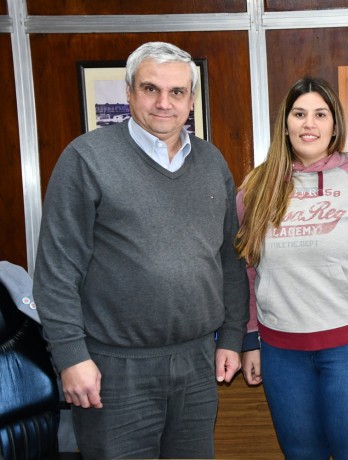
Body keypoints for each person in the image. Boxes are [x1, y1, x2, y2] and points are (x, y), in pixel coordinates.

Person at [33, 41, 249, 459]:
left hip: (197, 363)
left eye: (177, 92)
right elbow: (56, 272)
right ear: (129, 92)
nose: (164, 103)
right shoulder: (86, 158)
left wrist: (233, 338)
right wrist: (71, 357)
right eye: (151, 89)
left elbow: (230, 260)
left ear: (191, 99)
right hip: (114, 370)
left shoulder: (210, 161)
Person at [235, 76, 348, 460]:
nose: (308, 124)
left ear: (335, 126)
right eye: (299, 114)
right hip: (281, 352)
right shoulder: (255, 190)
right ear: (285, 123)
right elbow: (248, 273)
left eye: (319, 114)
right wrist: (250, 339)